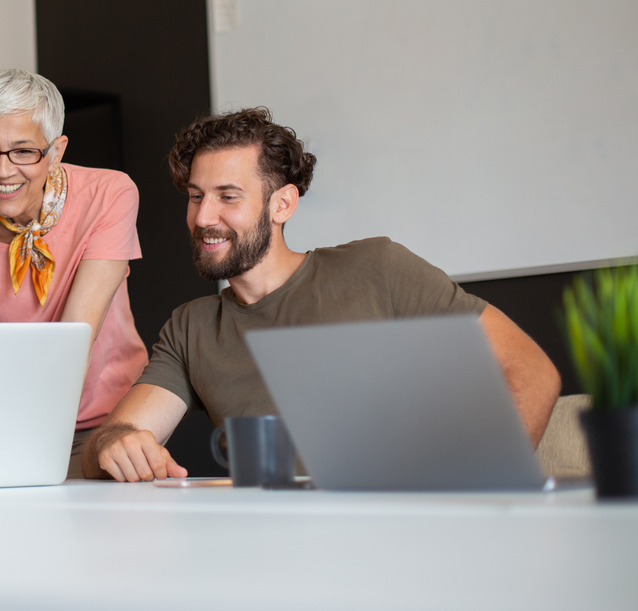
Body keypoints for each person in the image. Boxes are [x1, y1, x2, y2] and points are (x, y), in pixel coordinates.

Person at [84, 108, 562, 481]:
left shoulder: (378, 268)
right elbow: (116, 436)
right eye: (195, 196)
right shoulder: (192, 327)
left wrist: (481, 493)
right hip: (281, 555)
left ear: (282, 204)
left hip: (406, 538)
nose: (204, 216)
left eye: (228, 197)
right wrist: (116, 443)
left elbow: (531, 372)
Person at [0, 69, 147, 477]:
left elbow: (74, 342)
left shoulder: (110, 194)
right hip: (12, 420)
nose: (3, 171)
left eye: (24, 152)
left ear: (56, 151)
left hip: (112, 419)